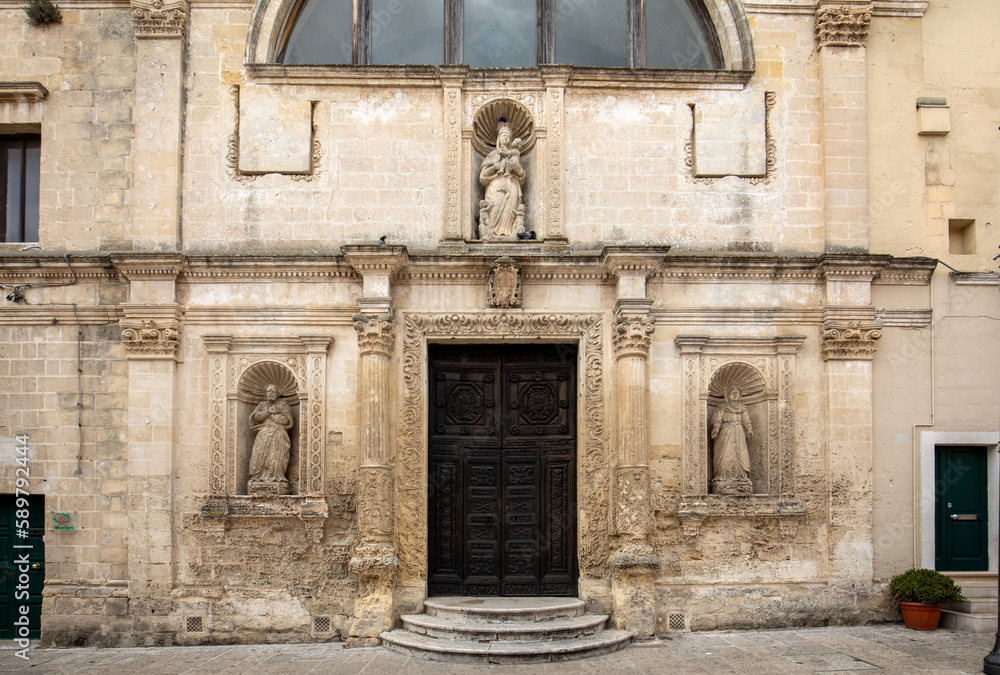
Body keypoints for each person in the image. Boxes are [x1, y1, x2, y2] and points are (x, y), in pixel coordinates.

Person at [479, 123, 526, 238]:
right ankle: (491, 232)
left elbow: (522, 175)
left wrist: (517, 169)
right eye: (503, 135)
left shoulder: (515, 155)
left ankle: (510, 233)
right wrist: (496, 166)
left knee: (510, 211)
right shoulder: (492, 155)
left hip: (512, 185)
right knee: (494, 210)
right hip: (496, 186)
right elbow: (483, 176)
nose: (506, 138)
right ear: (498, 138)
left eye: (508, 136)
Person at [710, 386, 753, 494]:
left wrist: (749, 429)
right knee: (725, 454)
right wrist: (716, 428)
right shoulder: (722, 407)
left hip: (738, 433)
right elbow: (717, 419)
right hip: (725, 433)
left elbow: (746, 420)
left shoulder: (742, 407)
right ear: (727, 396)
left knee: (740, 454)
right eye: (732, 393)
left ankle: (741, 478)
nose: (734, 395)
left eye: (736, 393)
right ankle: (723, 476)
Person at [248, 384, 293, 484]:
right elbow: (256, 418)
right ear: (265, 393)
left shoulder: (283, 405)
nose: (270, 393)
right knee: (259, 454)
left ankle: (276, 477)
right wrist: (269, 412)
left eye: (273, 392)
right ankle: (258, 477)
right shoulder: (262, 405)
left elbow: (286, 420)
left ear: (277, 394)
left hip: (278, 433)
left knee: (276, 455)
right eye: (268, 391)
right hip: (263, 433)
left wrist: (272, 416)